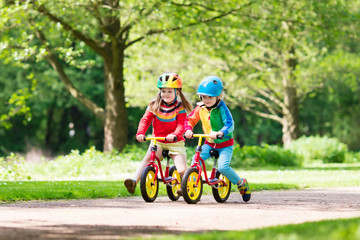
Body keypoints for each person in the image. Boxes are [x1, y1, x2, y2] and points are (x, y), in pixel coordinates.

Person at [183, 76, 251, 202]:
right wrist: (188, 129)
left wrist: (220, 132)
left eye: (210, 97)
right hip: (209, 143)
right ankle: (191, 185)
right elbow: (190, 120)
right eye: (204, 97)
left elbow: (230, 124)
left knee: (223, 168)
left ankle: (241, 183)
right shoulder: (200, 108)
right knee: (196, 160)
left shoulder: (222, 108)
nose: (207, 100)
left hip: (224, 144)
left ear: (218, 96)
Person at [124, 73, 193, 194]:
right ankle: (134, 181)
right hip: (158, 141)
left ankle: (184, 187)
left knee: (182, 170)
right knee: (147, 159)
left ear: (177, 92)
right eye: (163, 91)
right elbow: (145, 120)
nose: (166, 94)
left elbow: (181, 125)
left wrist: (175, 135)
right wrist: (140, 133)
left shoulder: (180, 108)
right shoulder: (154, 106)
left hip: (175, 142)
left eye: (169, 91)